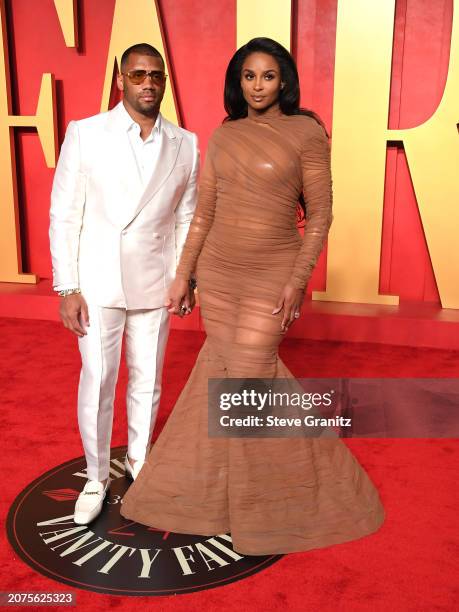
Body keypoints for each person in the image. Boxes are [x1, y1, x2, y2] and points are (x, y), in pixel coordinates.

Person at [120, 38, 385, 555]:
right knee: (231, 380)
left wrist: (296, 280)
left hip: (272, 272)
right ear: (237, 82)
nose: (258, 86)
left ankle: (282, 501)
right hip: (219, 274)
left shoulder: (306, 133)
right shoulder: (225, 134)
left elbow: (322, 215)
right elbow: (204, 214)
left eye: (267, 76)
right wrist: (184, 275)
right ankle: (221, 498)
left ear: (283, 80)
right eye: (248, 76)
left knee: (247, 376)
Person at [49, 43, 199, 525]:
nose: (148, 83)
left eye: (155, 75)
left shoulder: (187, 143)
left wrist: (184, 277)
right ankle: (96, 476)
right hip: (96, 282)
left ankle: (139, 460)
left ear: (164, 82)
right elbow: (64, 214)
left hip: (156, 282)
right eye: (137, 75)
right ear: (121, 79)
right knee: (98, 381)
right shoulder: (85, 134)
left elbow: (185, 219)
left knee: (148, 381)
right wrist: (66, 285)